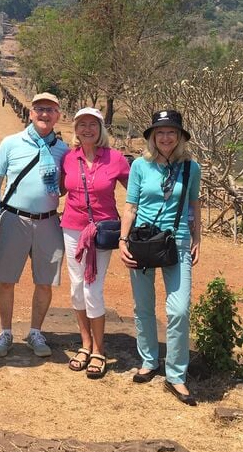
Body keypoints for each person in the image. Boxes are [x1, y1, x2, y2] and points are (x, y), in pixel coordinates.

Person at [118, 110, 201, 405]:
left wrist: (197, 238)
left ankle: (176, 375)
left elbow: (193, 206)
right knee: (143, 305)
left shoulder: (192, 168)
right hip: (142, 241)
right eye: (160, 132)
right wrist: (123, 239)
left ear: (179, 137)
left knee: (178, 310)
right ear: (152, 136)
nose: (165, 137)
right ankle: (149, 360)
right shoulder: (140, 165)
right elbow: (131, 205)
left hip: (176, 243)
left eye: (171, 132)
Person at [0, 92, 69, 359]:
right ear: (31, 113)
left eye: (50, 110)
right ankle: (6, 332)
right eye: (39, 109)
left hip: (48, 221)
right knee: (6, 279)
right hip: (13, 219)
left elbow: (66, 187)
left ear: (58, 115)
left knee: (45, 282)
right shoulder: (11, 143)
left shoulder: (63, 150)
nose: (44, 114)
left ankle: (36, 331)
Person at [60, 108, 130, 379]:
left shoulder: (115, 159)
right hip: (72, 229)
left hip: (102, 231)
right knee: (77, 289)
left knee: (92, 289)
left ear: (101, 129)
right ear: (75, 129)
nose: (87, 129)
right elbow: (60, 188)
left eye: (93, 124)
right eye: (82, 125)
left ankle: (99, 350)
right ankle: (85, 343)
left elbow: (134, 190)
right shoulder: (68, 158)